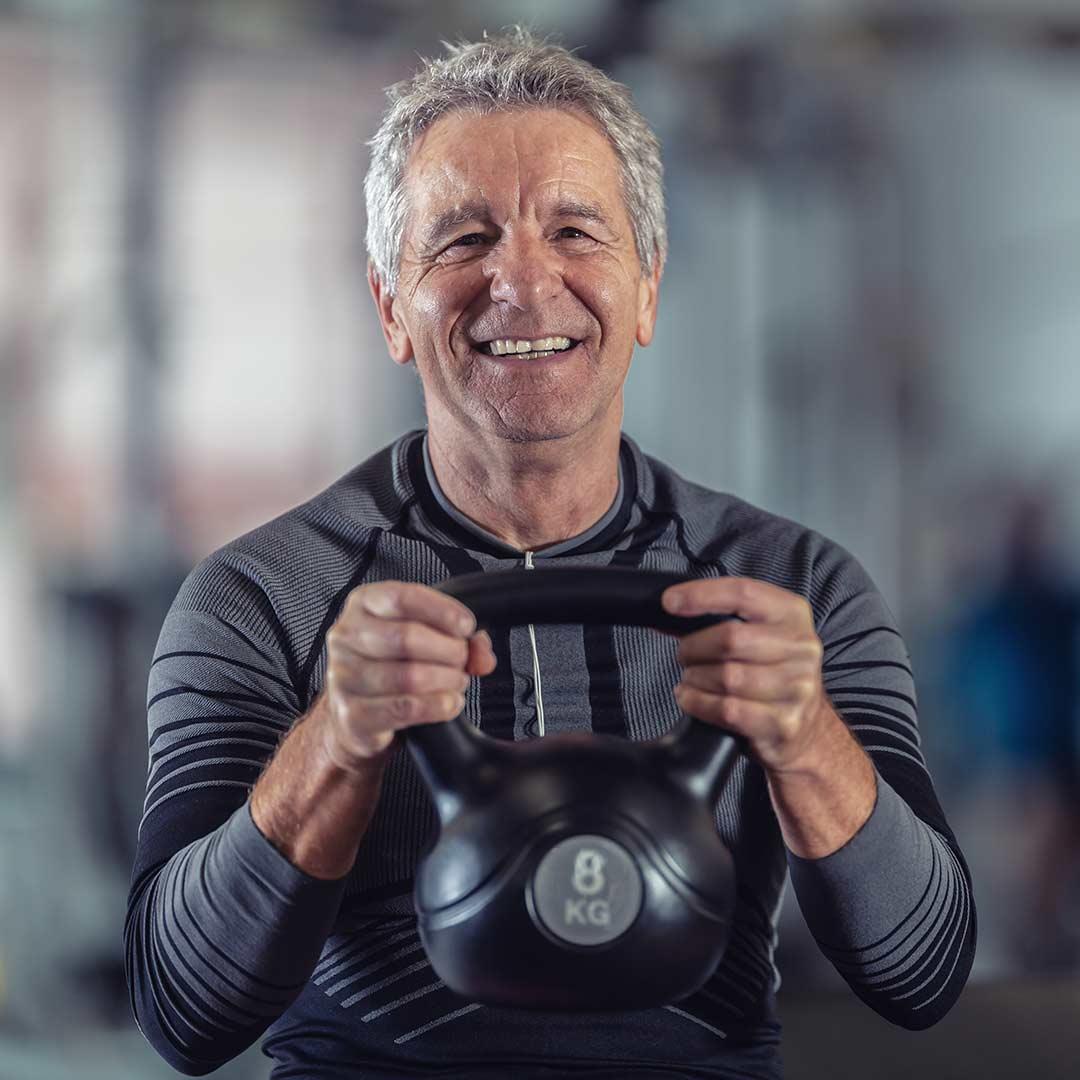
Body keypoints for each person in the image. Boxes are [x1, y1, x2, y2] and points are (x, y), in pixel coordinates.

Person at [124, 28, 975, 1080]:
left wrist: (806, 742)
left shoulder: (797, 591)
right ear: (391, 308)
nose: (523, 281)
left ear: (648, 289)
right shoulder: (260, 599)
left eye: (574, 230)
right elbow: (182, 1011)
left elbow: (922, 974)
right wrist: (336, 743)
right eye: (463, 239)